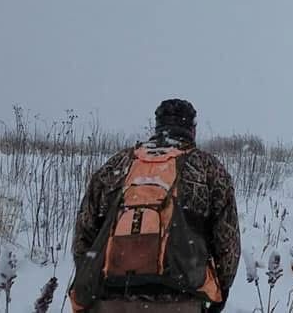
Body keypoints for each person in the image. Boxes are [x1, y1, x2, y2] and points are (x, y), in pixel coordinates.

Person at [69, 99, 240, 312]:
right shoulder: (208, 168)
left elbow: (83, 237)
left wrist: (90, 282)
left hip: (109, 299)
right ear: (192, 130)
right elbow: (227, 244)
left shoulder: (117, 164)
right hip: (180, 300)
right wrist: (219, 294)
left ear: (157, 126)